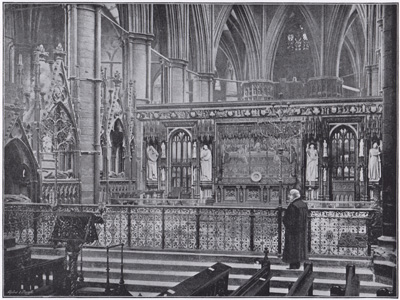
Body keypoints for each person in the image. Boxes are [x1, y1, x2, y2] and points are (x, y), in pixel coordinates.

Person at [282, 189, 308, 269]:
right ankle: (297, 264)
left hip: (292, 231)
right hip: (301, 230)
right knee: (299, 247)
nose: (288, 197)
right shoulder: (303, 204)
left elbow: (290, 220)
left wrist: (285, 221)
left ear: (293, 196)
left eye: (290, 195)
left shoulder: (293, 205)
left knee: (292, 248)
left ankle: (293, 265)